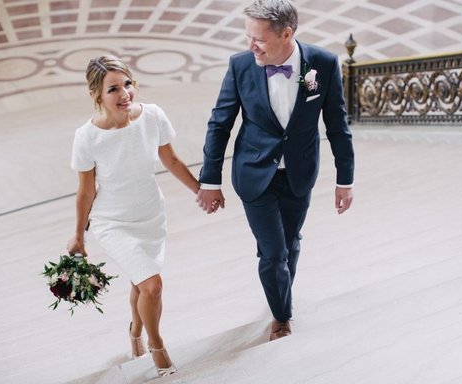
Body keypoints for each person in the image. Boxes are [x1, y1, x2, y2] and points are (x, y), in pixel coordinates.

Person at [196, 0, 355, 341]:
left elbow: (338, 126)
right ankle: (282, 315)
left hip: (299, 173)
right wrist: (209, 180)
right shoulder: (240, 65)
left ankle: (280, 293)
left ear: (287, 34)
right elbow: (219, 123)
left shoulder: (323, 64)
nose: (250, 45)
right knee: (273, 253)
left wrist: (345, 179)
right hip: (254, 174)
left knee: (290, 243)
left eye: (258, 39)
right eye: (247, 36)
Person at [66, 55, 204, 376]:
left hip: (151, 216)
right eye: (113, 89)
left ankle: (135, 333)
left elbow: (171, 160)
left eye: (127, 84)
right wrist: (79, 234)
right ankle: (158, 348)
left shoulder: (152, 116)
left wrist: (200, 190)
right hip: (113, 223)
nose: (125, 93)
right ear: (97, 95)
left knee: (141, 284)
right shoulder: (87, 137)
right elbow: (86, 191)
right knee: (152, 286)